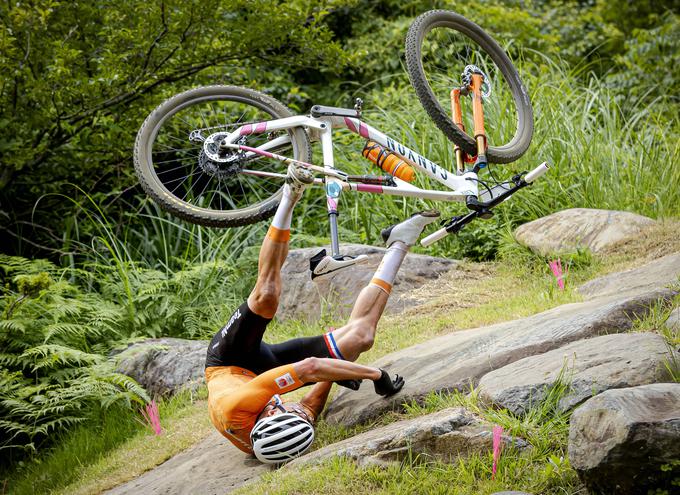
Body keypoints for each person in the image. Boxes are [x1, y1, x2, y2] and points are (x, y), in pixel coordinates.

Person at [204, 165, 440, 463]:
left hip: (229, 362)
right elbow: (313, 397)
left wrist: (376, 375)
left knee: (266, 296)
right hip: (264, 372)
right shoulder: (287, 433)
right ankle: (400, 242)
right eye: (301, 415)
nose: (298, 409)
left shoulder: (237, 408)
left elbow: (311, 367)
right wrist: (339, 367)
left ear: (273, 412)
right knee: (361, 337)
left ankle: (291, 192)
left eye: (294, 410)